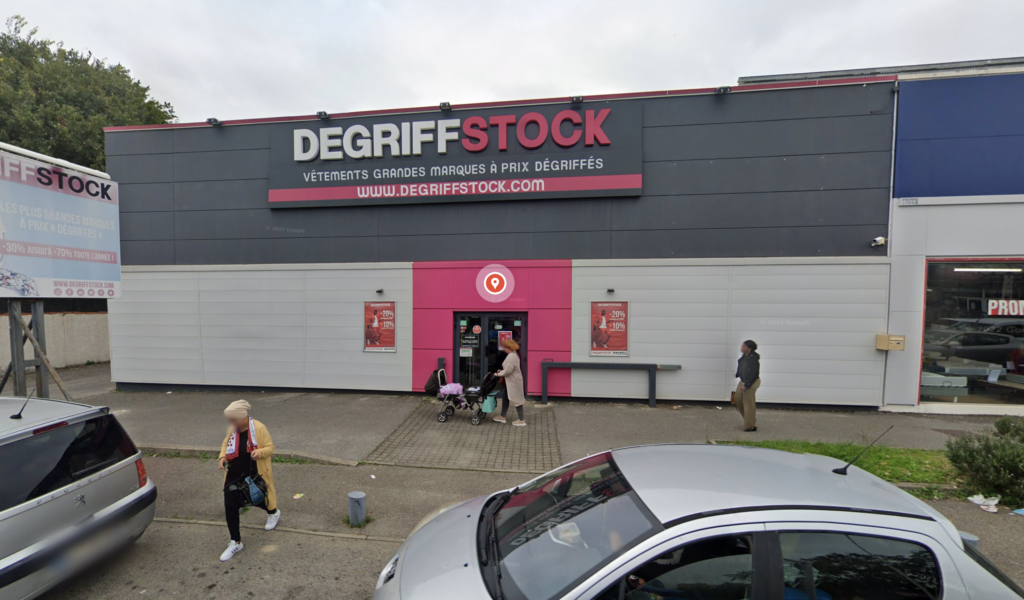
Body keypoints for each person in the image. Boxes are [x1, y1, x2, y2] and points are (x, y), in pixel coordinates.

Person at [217, 400, 281, 561]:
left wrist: (259, 452)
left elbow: (270, 448)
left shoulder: (259, 428)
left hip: (253, 475)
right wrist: (222, 457)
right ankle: (235, 541)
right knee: (230, 505)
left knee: (257, 498)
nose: (231, 424)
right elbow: (225, 445)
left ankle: (273, 512)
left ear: (242, 417)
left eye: (233, 420)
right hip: (233, 475)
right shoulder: (233, 429)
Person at [492, 338, 527, 426]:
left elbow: (508, 371)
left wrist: (498, 374)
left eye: (505, 347)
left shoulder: (511, 356)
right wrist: (502, 371)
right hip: (512, 381)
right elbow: (509, 369)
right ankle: (502, 416)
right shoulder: (514, 354)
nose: (504, 349)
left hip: (513, 381)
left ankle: (522, 420)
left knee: (517, 399)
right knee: (505, 397)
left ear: (509, 347)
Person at [734, 340, 761, 432]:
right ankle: (750, 420)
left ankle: (750, 426)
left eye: (744, 347)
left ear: (749, 349)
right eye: (742, 346)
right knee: (737, 398)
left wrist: (746, 385)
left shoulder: (753, 359)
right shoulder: (744, 357)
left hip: (752, 381)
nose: (741, 348)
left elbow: (755, 374)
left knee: (748, 403)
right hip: (744, 380)